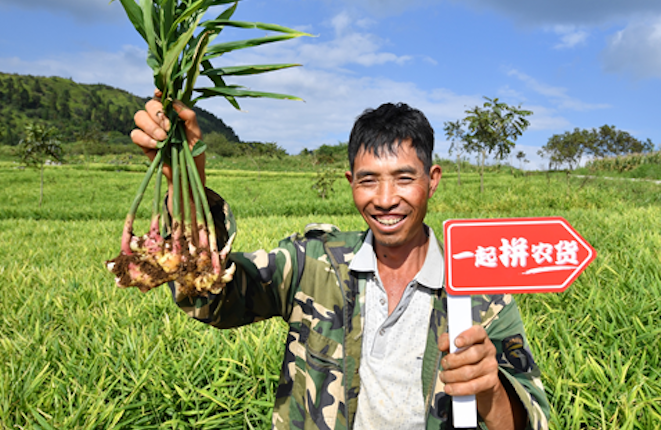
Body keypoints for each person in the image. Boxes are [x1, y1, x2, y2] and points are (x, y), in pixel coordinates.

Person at [131, 97, 550, 429]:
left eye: (404, 178)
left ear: (432, 179)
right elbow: (214, 300)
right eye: (369, 180)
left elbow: (532, 420)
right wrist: (185, 180)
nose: (385, 199)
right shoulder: (314, 262)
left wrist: (489, 389)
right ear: (350, 182)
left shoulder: (481, 294)